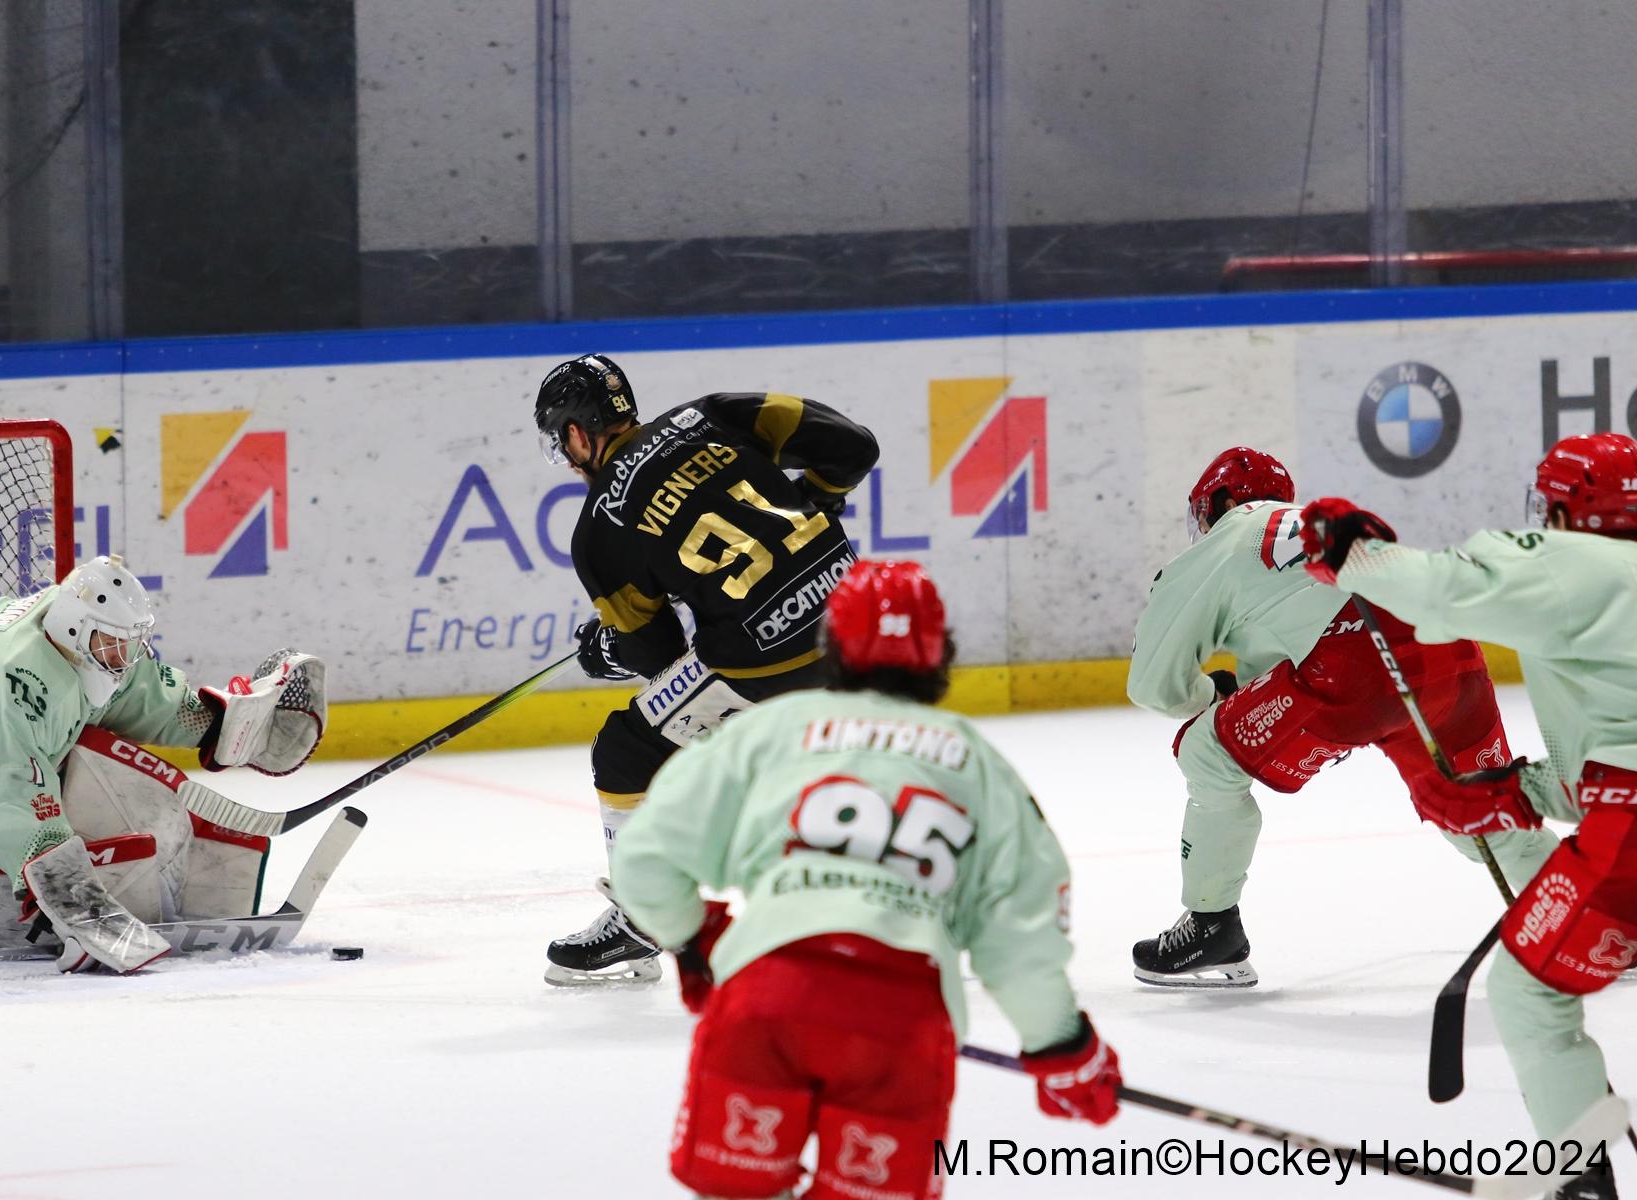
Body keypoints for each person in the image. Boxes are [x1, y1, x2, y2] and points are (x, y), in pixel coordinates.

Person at [610, 560, 1119, 1198]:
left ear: (832, 647)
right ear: (941, 655)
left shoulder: (772, 729)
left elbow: (643, 857)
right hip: (901, 1028)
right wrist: (1060, 1046)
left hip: (766, 998)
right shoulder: (980, 765)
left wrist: (694, 937)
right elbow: (1019, 941)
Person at [1301, 431, 1637, 1200]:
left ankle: (1576, 1178)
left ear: (1564, 506)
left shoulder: (1572, 560)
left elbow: (1441, 592)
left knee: (1529, 993)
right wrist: (1522, 787)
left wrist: (1351, 545)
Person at [1125, 447, 1553, 987]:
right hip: (1450, 650)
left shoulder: (1224, 541)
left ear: (1226, 501)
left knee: (1207, 755)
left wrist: (1213, 693)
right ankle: (1598, 920)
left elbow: (1152, 685)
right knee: (1476, 802)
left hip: (1356, 670)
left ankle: (1213, 927)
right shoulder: (1322, 525)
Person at [533, 353, 878, 985]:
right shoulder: (713, 415)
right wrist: (818, 503)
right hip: (856, 622)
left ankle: (643, 917)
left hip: (771, 659)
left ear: (579, 434)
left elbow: (656, 656)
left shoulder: (601, 528)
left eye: (563, 441)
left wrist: (606, 652)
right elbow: (855, 446)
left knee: (625, 750)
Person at [0, 554, 326, 972]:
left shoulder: (86, 637)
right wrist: (67, 896)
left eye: (133, 643)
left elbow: (142, 694)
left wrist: (220, 726)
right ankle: (50, 907)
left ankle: (164, 884)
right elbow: (0, 798)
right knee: (63, 825)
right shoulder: (6, 679)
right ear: (76, 627)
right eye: (116, 645)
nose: (126, 655)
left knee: (100, 761)